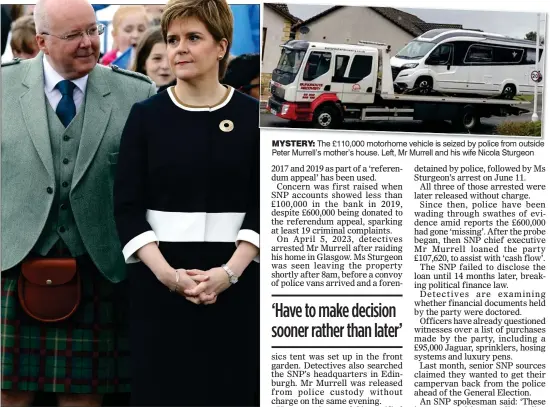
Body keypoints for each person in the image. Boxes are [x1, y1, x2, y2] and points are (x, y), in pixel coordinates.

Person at [0, 0, 156, 404]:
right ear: (41, 42)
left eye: (93, 30)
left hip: (99, 267)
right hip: (11, 263)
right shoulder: (1, 88)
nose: (89, 43)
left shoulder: (136, 93)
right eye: (74, 35)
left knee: (84, 397)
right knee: (9, 395)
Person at [113, 0, 260, 405]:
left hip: (240, 289)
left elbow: (267, 203)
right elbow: (126, 205)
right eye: (172, 39)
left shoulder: (253, 117)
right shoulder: (145, 116)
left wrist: (229, 273)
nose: (179, 48)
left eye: (193, 38)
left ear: (221, 46)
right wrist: (168, 276)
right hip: (159, 290)